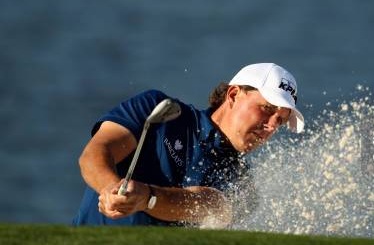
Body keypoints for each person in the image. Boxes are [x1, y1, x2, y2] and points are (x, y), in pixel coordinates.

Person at [73, 63, 304, 227]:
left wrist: (147, 198)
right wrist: (109, 188)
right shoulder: (157, 109)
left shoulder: (243, 186)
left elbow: (204, 204)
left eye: (280, 121)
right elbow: (97, 152)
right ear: (233, 95)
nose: (271, 127)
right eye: (267, 109)